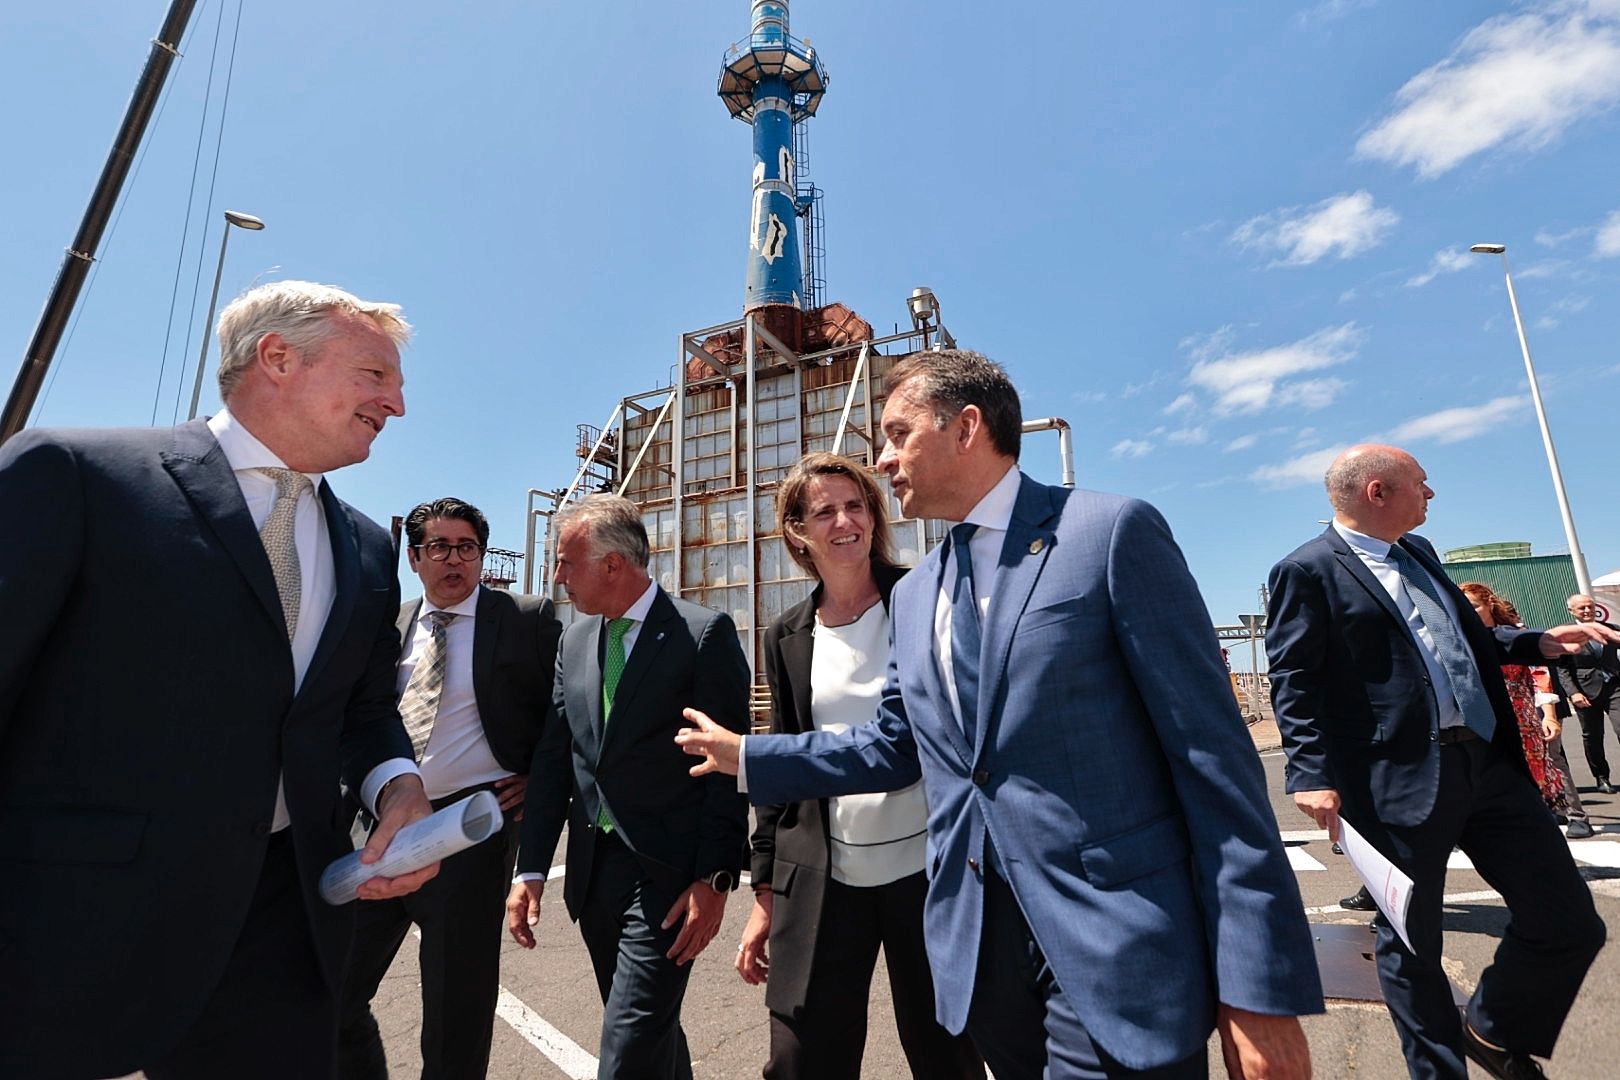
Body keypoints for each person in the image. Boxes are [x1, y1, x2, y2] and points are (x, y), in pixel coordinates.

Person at [678, 351, 1321, 1080]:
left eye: (897, 433)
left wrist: (1259, 990)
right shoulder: (920, 596)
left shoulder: (1108, 535)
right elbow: (897, 744)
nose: (883, 460)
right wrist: (752, 758)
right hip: (979, 963)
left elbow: (1214, 765)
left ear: (967, 427)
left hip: (1111, 948)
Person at [0, 280, 438, 1080]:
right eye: (377, 375)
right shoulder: (75, 474)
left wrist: (398, 789)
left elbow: (363, 709)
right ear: (277, 357)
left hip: (282, 932)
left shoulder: (371, 548)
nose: (398, 404)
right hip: (72, 936)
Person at [1266, 444, 1610, 1080]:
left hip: (1486, 766)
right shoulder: (1307, 571)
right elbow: (1295, 676)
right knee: (1413, 948)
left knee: (1568, 920)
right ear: (1377, 492)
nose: (1430, 495)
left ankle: (1492, 1027)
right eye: (1420, 484)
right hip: (1392, 780)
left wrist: (1539, 641)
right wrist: (1310, 773)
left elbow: (1464, 640)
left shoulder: (1418, 555)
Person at [740, 452, 982, 1080]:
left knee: (946, 1054)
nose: (845, 521)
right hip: (827, 873)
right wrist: (765, 891)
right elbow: (785, 762)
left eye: (856, 506)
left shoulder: (922, 596)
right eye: (824, 511)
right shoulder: (785, 634)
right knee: (800, 1059)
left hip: (926, 872)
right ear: (798, 531)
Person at [506, 494, 750, 1079]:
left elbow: (725, 770)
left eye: (567, 562)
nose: (559, 577)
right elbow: (554, 760)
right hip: (595, 878)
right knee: (647, 1031)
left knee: (628, 1045)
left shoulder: (701, 634)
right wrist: (531, 869)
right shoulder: (573, 642)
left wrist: (715, 878)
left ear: (613, 564)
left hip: (665, 877)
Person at [339, 497, 562, 1079]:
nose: (454, 559)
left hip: (469, 832)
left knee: (456, 1009)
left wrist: (539, 776)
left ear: (482, 555)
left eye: (466, 547)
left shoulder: (525, 619)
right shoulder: (387, 627)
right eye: (438, 547)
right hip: (381, 829)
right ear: (415, 558)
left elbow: (564, 713)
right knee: (333, 987)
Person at [1458, 583, 1571, 824]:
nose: (1470, 612)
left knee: (1532, 772)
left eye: (1475, 606)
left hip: (1522, 717)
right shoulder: (1460, 639)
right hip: (1484, 718)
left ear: (1489, 603)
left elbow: (1539, 674)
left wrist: (1549, 715)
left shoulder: (1515, 634)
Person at [1556, 593, 1620, 795]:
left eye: (1590, 607)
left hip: (1614, 688)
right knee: (1593, 736)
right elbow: (1562, 669)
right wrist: (1573, 693)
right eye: (1581, 608)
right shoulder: (1566, 634)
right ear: (1571, 611)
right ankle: (1601, 777)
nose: (1586, 611)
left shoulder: (1611, 629)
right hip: (1585, 693)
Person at [1530, 665, 1592, 837]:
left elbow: (1539, 669)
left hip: (1540, 701)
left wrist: (1549, 714)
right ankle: (1555, 808)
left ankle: (1577, 816)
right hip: (1503, 704)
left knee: (1551, 757)